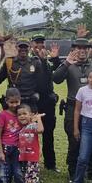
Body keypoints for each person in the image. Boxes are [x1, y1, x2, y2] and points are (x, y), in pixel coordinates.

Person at [52, 37, 92, 180]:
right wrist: (66, 63)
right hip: (73, 107)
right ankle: (73, 171)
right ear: (73, 50)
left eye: (85, 48)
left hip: (91, 108)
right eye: (78, 48)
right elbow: (56, 79)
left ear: (88, 50)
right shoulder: (68, 65)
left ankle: (91, 172)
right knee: (74, 140)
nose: (82, 50)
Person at [31, 33, 60, 171]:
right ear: (32, 45)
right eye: (37, 43)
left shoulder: (48, 60)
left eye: (42, 43)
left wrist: (54, 59)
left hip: (48, 101)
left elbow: (55, 74)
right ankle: (32, 163)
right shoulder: (28, 60)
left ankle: (50, 164)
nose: (40, 46)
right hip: (33, 102)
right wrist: (42, 60)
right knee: (31, 134)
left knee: (49, 133)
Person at [0, 38, 46, 112]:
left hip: (30, 101)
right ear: (16, 47)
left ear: (29, 48)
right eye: (21, 47)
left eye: (25, 47)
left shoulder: (35, 62)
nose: (23, 49)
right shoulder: (9, 62)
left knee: (31, 123)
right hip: (13, 103)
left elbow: (41, 82)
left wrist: (37, 94)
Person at [13, 106, 45, 183]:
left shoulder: (32, 126)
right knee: (32, 181)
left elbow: (40, 130)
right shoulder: (22, 128)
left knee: (29, 182)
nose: (22, 116)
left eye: (24, 113)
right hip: (25, 159)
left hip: (32, 159)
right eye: (19, 114)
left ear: (30, 115)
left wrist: (38, 118)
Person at [0, 88, 25, 183]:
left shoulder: (21, 114)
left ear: (20, 100)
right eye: (11, 102)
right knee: (4, 174)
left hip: (18, 149)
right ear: (6, 101)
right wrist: (0, 151)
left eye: (16, 102)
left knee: (18, 173)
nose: (14, 105)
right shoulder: (3, 115)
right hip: (5, 147)